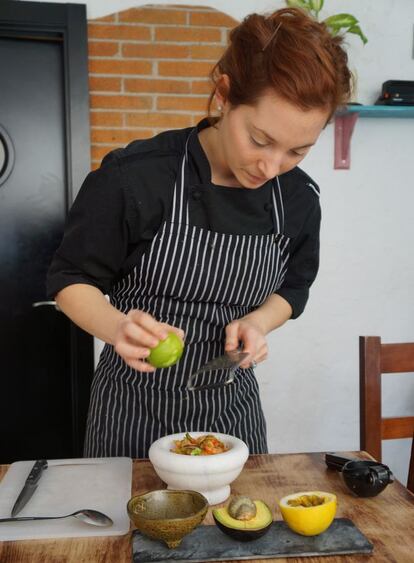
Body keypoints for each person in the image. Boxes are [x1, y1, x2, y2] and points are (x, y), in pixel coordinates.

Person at [47, 7, 352, 458]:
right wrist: (116, 326)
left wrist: (258, 321)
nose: (271, 168)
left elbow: (294, 287)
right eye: (261, 140)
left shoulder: (299, 199)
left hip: (233, 418)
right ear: (224, 95)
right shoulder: (136, 178)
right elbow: (70, 279)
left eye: (297, 151)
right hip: (131, 415)